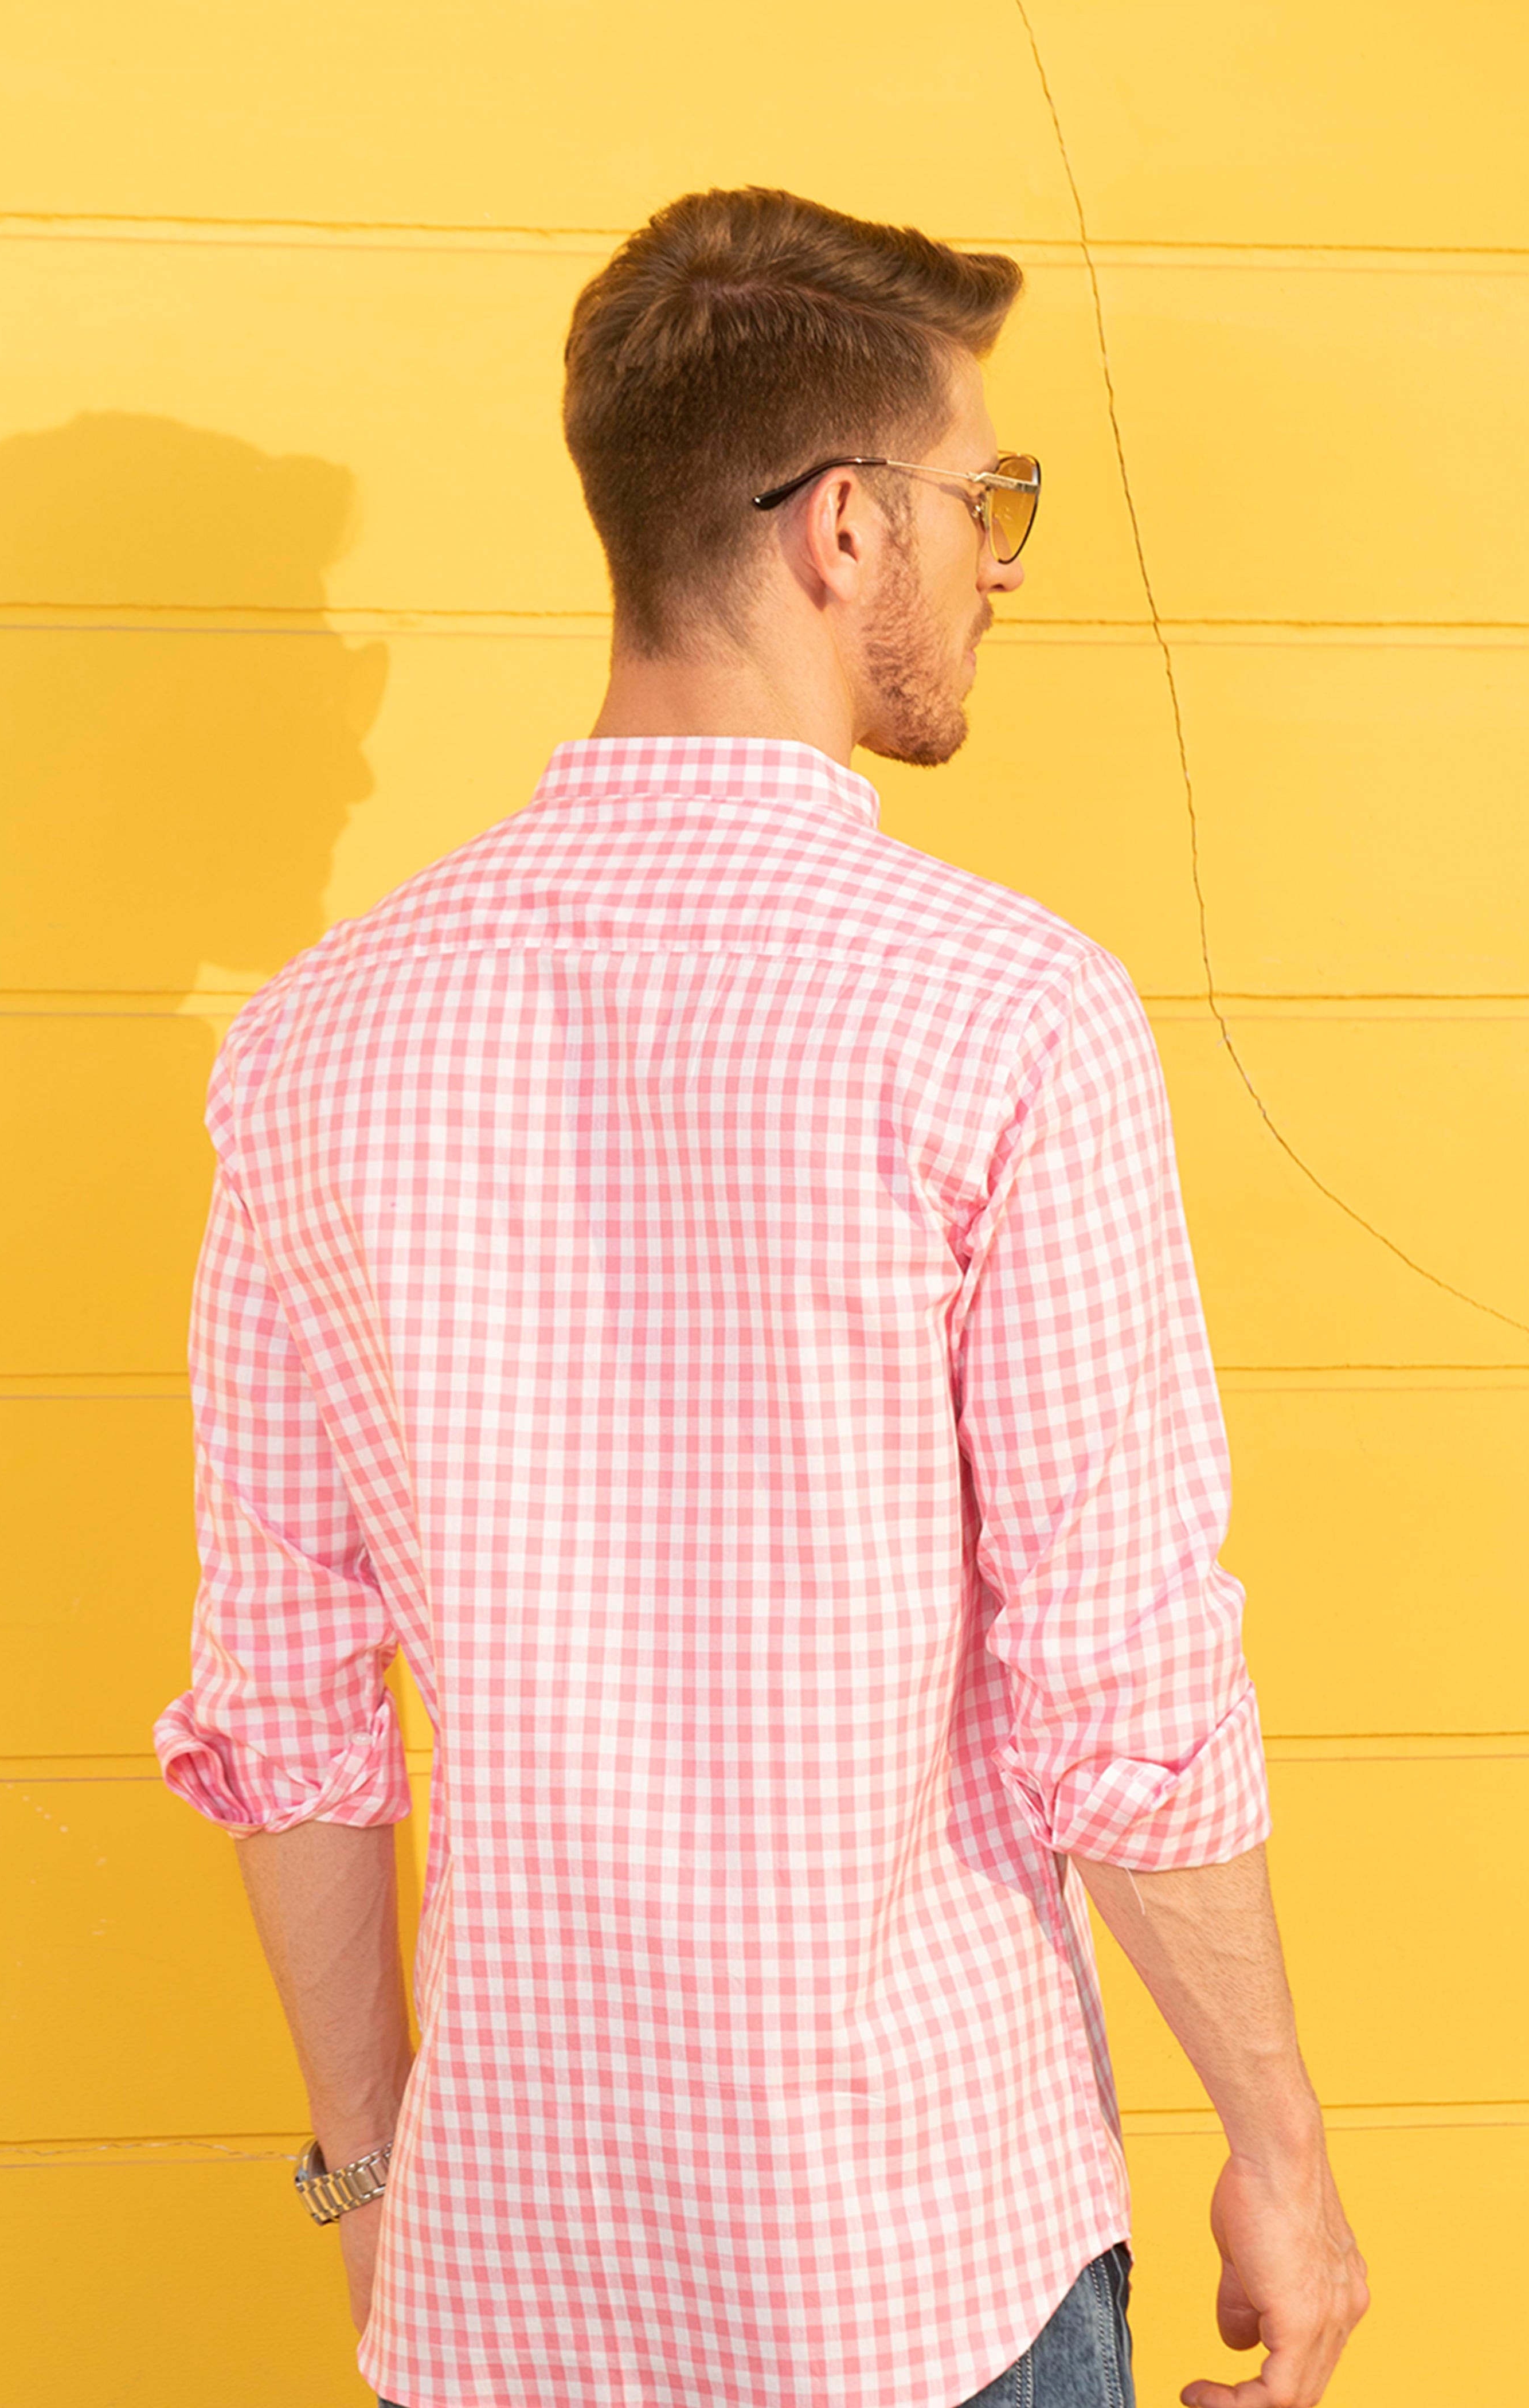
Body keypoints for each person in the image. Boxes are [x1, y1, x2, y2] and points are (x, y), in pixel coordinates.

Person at [155, 186, 1368, 2408]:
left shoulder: (316, 1046)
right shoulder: (1005, 1018)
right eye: (981, 501)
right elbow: (1127, 1678)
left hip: (509, 2282)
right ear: (841, 530)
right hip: (923, 2272)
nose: (998, 563)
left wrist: (369, 2184)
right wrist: (1277, 2145)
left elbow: (286, 1700)